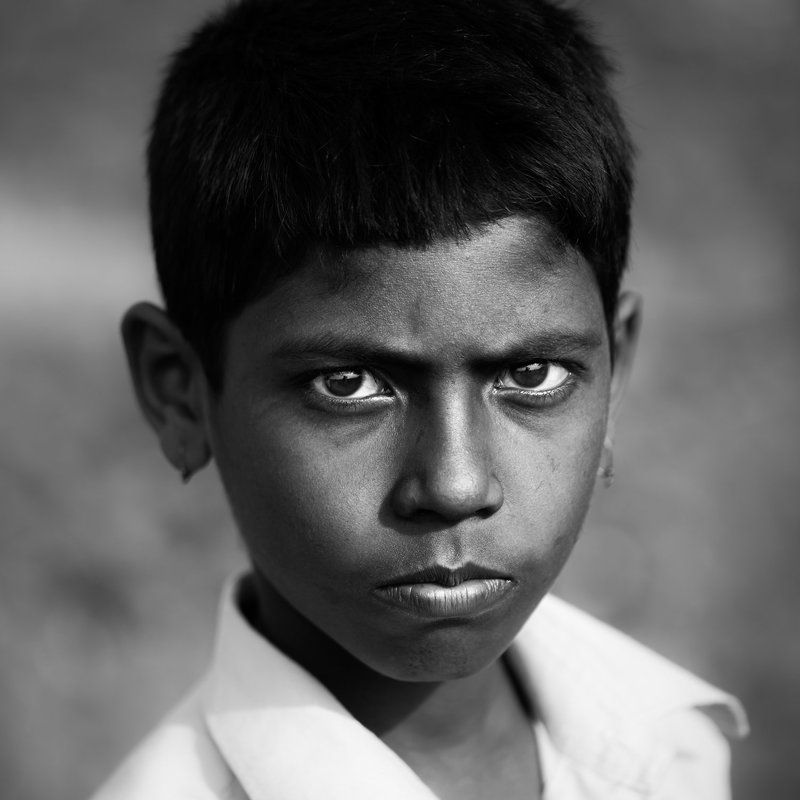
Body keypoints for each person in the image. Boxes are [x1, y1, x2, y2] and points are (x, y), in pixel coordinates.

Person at [91, 0, 747, 797]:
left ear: (617, 369)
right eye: (348, 385)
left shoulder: (666, 744)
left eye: (533, 376)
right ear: (179, 392)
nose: (456, 485)